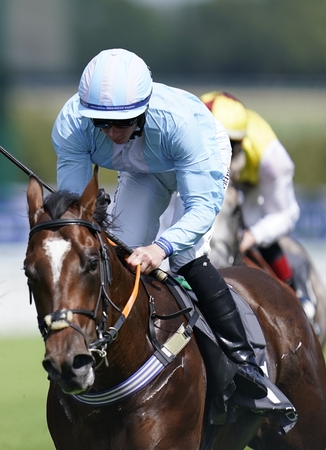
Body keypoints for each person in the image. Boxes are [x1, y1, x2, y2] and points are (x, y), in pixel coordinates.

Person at [51, 48, 268, 399]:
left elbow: (201, 208)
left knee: (186, 256)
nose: (111, 132)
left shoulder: (178, 124)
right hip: (142, 171)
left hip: (198, 155)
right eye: (100, 123)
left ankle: (246, 365)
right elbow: (76, 212)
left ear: (143, 110)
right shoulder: (72, 124)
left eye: (122, 122)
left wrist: (161, 247)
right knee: (119, 252)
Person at [200, 91, 312, 318]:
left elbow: (287, 214)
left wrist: (253, 236)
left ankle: (298, 296)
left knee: (253, 222)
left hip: (254, 187)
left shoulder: (271, 157)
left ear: (241, 144)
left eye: (228, 145)